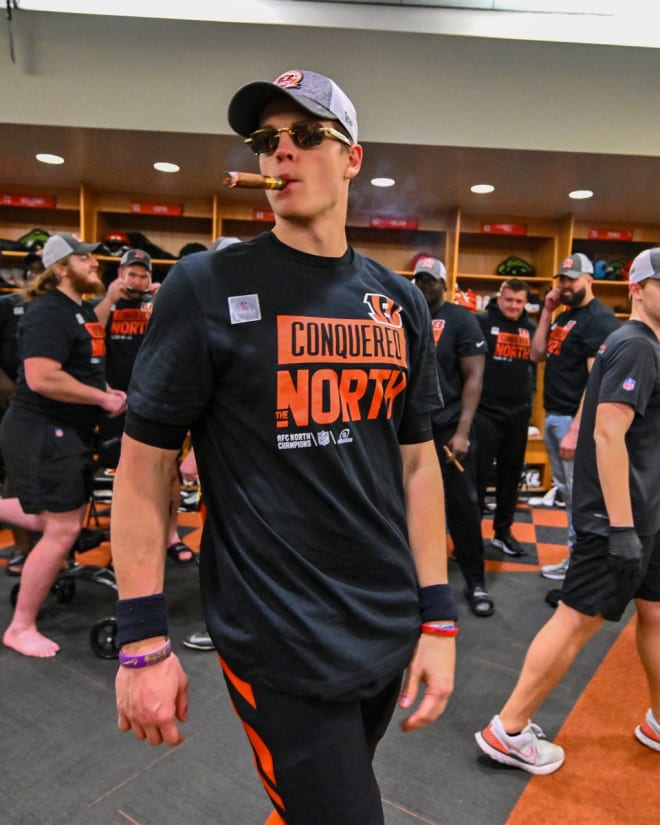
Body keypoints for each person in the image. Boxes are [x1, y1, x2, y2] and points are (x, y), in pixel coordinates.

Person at [112, 69, 456, 824]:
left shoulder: (395, 299)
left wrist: (437, 616)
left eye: (307, 137)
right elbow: (144, 468)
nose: (282, 155)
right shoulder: (204, 285)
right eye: (267, 142)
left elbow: (418, 461)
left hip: (383, 620)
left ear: (352, 158)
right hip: (277, 633)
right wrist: (141, 638)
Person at [474, 247, 660, 772]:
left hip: (647, 514)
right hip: (618, 519)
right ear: (637, 289)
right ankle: (507, 729)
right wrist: (622, 527)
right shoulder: (635, 345)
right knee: (577, 620)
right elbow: (609, 432)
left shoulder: (646, 345)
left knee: (656, 614)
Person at [1, 232, 126, 657]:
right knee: (64, 527)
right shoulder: (49, 312)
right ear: (61, 268)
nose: (95, 264)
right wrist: (100, 397)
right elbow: (41, 377)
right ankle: (20, 627)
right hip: (41, 431)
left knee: (59, 516)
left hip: (64, 432)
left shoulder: (79, 311)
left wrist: (105, 391)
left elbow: (81, 371)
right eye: (85, 259)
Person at [93, 249, 194, 564]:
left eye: (143, 274)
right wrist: (109, 299)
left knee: (168, 473)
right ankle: (124, 540)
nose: (137, 280)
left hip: (153, 399)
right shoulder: (106, 305)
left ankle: (171, 535)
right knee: (121, 474)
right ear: (120, 274)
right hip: (116, 401)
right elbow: (91, 333)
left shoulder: (155, 301)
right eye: (131, 273)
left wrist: (166, 299)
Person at [531, 253, 618, 584]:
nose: (565, 286)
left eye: (572, 279)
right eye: (562, 280)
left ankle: (583, 566)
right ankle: (579, 559)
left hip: (574, 421)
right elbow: (536, 353)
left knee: (581, 499)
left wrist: (576, 430)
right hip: (557, 418)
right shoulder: (564, 317)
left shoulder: (599, 320)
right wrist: (547, 311)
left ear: (589, 280)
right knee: (569, 494)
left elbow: (597, 384)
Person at [414, 256, 490, 616]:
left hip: (449, 429)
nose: (424, 285)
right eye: (419, 279)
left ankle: (476, 582)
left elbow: (473, 379)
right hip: (413, 431)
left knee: (462, 506)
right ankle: (415, 584)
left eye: (431, 280)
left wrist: (463, 431)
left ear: (445, 284)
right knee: (409, 507)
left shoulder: (462, 319)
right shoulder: (406, 314)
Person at [474, 278, 536, 557]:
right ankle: (469, 534)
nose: (513, 306)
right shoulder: (481, 321)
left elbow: (537, 363)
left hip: (519, 412)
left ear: (525, 302)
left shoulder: (531, 328)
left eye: (519, 301)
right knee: (476, 476)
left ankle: (502, 532)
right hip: (485, 411)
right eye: (508, 299)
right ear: (500, 298)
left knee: (511, 476)